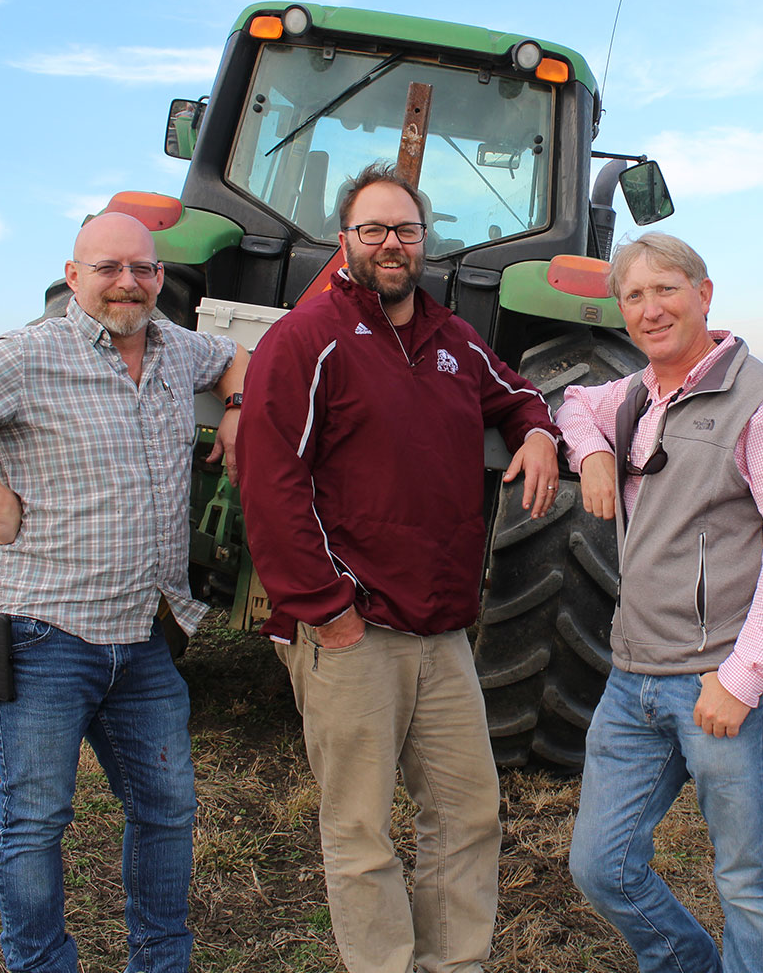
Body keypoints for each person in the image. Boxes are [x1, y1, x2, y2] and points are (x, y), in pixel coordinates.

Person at [0, 211, 249, 973]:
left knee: (167, 808)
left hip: (142, 636)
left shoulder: (177, 349)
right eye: (108, 268)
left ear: (160, 279)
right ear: (73, 278)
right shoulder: (28, 355)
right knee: (37, 820)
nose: (128, 283)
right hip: (42, 632)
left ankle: (161, 960)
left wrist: (238, 409)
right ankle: (41, 964)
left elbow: (239, 358)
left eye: (143, 269)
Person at [234, 162, 560, 973]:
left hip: (443, 629)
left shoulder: (451, 339)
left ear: (425, 242)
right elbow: (272, 485)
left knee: (466, 813)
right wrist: (326, 609)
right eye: (372, 229)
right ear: (344, 241)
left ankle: (453, 964)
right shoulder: (305, 340)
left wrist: (541, 431)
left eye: (405, 230)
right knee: (360, 830)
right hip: (354, 630)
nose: (390, 243)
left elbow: (515, 394)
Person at [555, 233, 763, 973]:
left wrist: (743, 677)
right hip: (632, 676)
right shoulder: (637, 395)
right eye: (634, 296)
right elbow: (574, 400)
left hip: (719, 683)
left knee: (745, 882)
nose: (651, 309)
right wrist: (590, 453)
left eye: (666, 289)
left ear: (703, 294)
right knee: (599, 866)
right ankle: (685, 962)